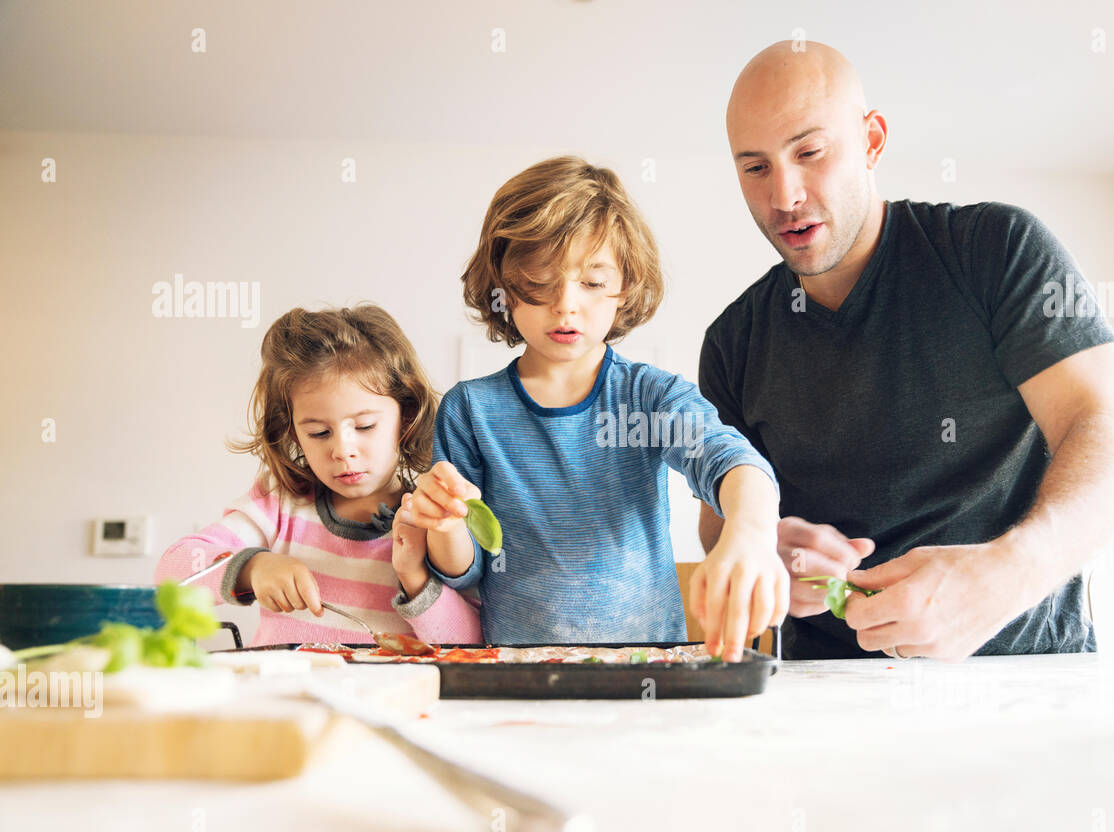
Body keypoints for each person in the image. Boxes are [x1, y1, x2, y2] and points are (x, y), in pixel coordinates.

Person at [698, 41, 1114, 660]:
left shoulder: (998, 249)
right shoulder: (731, 342)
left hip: (1024, 676)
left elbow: (1107, 431)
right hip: (828, 697)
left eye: (810, 152)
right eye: (756, 168)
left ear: (872, 140)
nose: (785, 196)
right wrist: (761, 546)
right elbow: (719, 521)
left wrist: (1004, 575)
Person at [398, 156, 787, 661]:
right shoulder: (469, 410)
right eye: (539, 282)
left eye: (593, 282)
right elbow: (466, 570)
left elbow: (727, 458)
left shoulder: (650, 397)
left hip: (645, 669)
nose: (565, 305)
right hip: (519, 674)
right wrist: (447, 526)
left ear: (625, 288)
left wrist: (752, 531)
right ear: (503, 287)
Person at [155, 304, 483, 647]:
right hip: (283, 698)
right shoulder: (279, 503)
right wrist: (253, 568)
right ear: (294, 432)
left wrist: (413, 577)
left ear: (408, 415)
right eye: (319, 433)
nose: (342, 450)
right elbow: (171, 572)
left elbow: (469, 644)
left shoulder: (435, 519)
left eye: (365, 426)